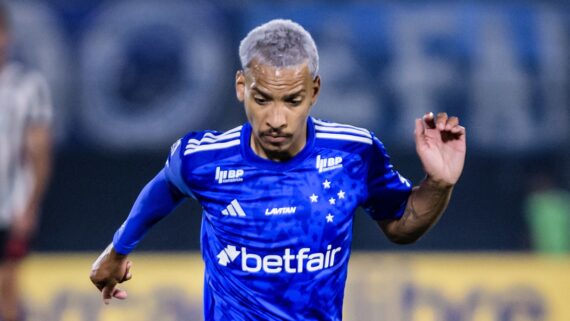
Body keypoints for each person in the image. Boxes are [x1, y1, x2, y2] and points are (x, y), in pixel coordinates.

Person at [90, 19, 466, 320]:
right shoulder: (204, 159)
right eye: (262, 99)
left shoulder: (354, 153)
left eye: (293, 101)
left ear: (315, 91)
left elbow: (401, 225)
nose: (276, 119)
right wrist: (118, 249)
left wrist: (439, 183)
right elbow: (164, 188)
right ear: (241, 87)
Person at [0, 3, 54, 321]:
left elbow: (40, 151)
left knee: (6, 287)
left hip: (11, 208)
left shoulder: (27, 87)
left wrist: (31, 205)